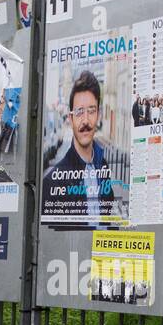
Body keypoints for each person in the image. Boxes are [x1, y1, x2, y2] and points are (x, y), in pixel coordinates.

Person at [42, 70, 121, 223]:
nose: (85, 120)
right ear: (71, 119)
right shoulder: (52, 181)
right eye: (79, 112)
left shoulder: (102, 166)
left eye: (91, 111)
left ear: (98, 115)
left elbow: (108, 216)